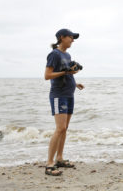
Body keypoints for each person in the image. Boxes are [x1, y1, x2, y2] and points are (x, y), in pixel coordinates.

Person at [44, 29, 84, 176]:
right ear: (62, 38)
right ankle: (49, 164)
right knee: (60, 128)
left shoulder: (67, 55)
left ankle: (59, 158)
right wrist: (66, 72)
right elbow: (47, 75)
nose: (73, 40)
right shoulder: (54, 54)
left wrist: (75, 82)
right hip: (58, 95)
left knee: (65, 128)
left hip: (69, 94)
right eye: (71, 37)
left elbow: (66, 72)